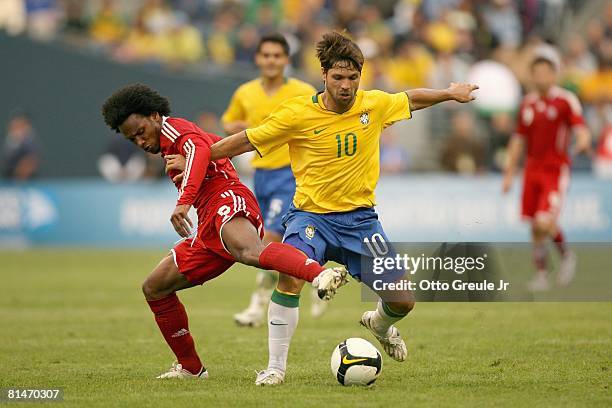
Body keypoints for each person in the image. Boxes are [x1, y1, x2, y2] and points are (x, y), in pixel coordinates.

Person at [168, 32, 478, 385]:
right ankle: (275, 368)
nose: (346, 86)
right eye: (338, 78)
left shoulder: (373, 104)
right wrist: (198, 156)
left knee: (403, 300)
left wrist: (450, 94)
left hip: (361, 222)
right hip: (310, 217)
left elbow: (410, 98)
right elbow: (246, 140)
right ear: (324, 76)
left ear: (361, 77)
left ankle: (378, 323)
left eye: (352, 78)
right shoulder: (297, 113)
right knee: (289, 279)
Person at [100, 84, 347, 380]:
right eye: (132, 138)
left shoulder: (176, 131)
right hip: (207, 225)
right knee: (154, 287)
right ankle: (192, 368)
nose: (139, 141)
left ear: (154, 116)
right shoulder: (171, 144)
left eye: (140, 131)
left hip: (227, 199)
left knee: (250, 251)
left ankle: (317, 274)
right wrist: (202, 161)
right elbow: (213, 145)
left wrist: (183, 202)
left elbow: (198, 148)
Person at [221, 33, 327, 326]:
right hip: (261, 174)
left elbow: (320, 119)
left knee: (268, 238)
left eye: (277, 56)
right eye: (266, 55)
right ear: (257, 58)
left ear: (286, 60)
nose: (271, 60)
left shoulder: (302, 90)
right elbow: (229, 121)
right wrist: (241, 126)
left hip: (291, 173)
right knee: (288, 243)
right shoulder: (245, 92)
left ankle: (257, 305)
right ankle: (317, 275)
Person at [503, 53, 592, 291]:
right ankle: (541, 273)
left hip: (555, 169)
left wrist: (583, 141)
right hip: (532, 170)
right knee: (534, 225)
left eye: (545, 72)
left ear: (554, 75)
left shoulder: (565, 100)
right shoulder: (528, 104)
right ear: (532, 75)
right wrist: (509, 173)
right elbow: (518, 139)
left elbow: (580, 127)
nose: (541, 77)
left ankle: (566, 256)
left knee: (544, 221)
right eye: (537, 72)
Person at [3, 111, 40, 180]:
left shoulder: (29, 143)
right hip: (9, 181)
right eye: (14, 126)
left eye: (19, 125)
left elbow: (30, 162)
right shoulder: (10, 141)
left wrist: (20, 179)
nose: (16, 129)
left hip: (25, 182)